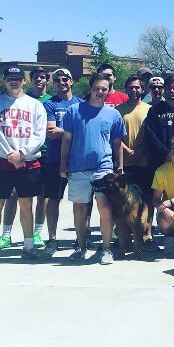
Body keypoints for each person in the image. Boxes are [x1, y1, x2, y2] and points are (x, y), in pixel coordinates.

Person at [0, 67, 48, 266]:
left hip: (27, 162)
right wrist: (11, 155)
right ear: (4, 81)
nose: (14, 82)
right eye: (10, 79)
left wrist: (22, 153)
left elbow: (39, 134)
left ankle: (28, 247)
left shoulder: (35, 105)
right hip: (1, 162)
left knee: (26, 205)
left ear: (24, 81)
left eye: (17, 78)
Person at [59, 73, 126, 265]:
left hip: (103, 168)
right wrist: (63, 164)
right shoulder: (74, 111)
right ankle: (80, 247)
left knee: (105, 209)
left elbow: (117, 142)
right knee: (80, 209)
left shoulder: (113, 114)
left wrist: (119, 165)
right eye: (97, 88)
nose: (100, 92)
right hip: (78, 168)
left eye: (104, 89)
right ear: (90, 88)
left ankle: (106, 249)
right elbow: (66, 140)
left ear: (108, 90)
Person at [0, 66, 53, 249]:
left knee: (40, 195)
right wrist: (18, 154)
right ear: (29, 80)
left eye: (42, 77)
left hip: (43, 153)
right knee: (12, 194)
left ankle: (37, 232)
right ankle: (6, 234)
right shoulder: (23, 98)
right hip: (18, 154)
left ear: (47, 80)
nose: (39, 80)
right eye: (36, 77)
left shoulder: (50, 101)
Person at [42, 68, 82, 251]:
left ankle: (82, 237)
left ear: (71, 81)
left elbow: (83, 133)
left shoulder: (81, 104)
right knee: (53, 199)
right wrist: (73, 133)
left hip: (78, 160)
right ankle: (52, 238)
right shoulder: (50, 104)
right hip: (54, 160)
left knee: (82, 201)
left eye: (65, 79)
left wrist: (64, 132)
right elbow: (51, 132)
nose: (61, 83)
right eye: (57, 80)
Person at [117, 75, 153, 195]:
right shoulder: (117, 110)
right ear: (126, 89)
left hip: (144, 162)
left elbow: (152, 136)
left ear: (142, 89)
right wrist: (127, 150)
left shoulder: (150, 110)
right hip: (124, 163)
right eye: (130, 87)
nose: (134, 90)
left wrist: (139, 151)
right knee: (125, 200)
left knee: (146, 198)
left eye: (137, 87)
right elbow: (114, 136)